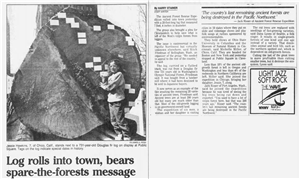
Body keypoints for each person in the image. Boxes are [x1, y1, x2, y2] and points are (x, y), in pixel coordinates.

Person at [100, 59, 131, 140]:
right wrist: (103, 79)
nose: (112, 67)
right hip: (111, 100)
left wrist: (103, 86)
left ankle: (127, 135)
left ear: (118, 67)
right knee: (113, 119)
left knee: (120, 119)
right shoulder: (111, 76)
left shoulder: (119, 74)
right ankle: (119, 134)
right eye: (110, 66)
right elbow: (107, 85)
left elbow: (111, 86)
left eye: (114, 66)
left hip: (117, 99)